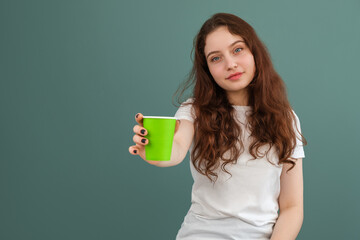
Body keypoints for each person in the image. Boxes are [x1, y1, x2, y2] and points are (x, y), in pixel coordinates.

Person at [129, 12, 307, 240]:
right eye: (216, 58)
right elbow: (176, 148)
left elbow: (292, 207)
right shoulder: (194, 110)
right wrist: (154, 150)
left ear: (255, 53)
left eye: (238, 50)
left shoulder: (286, 119)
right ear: (208, 70)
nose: (230, 64)